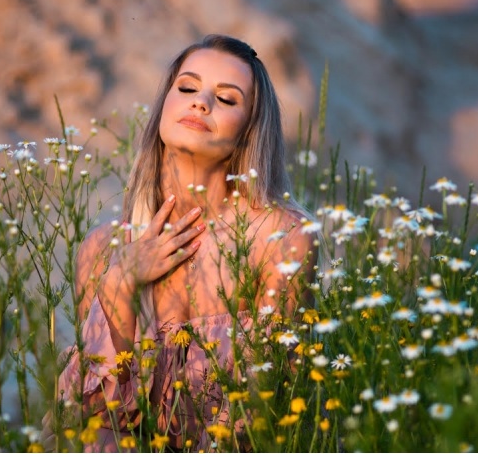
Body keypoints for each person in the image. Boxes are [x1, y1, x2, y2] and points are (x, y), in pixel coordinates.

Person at [48, 34, 317, 451]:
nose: (200, 102)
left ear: (250, 130)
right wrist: (120, 284)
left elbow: (270, 409)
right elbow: (100, 421)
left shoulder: (280, 239)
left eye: (226, 99)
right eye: (187, 88)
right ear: (163, 107)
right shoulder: (102, 249)